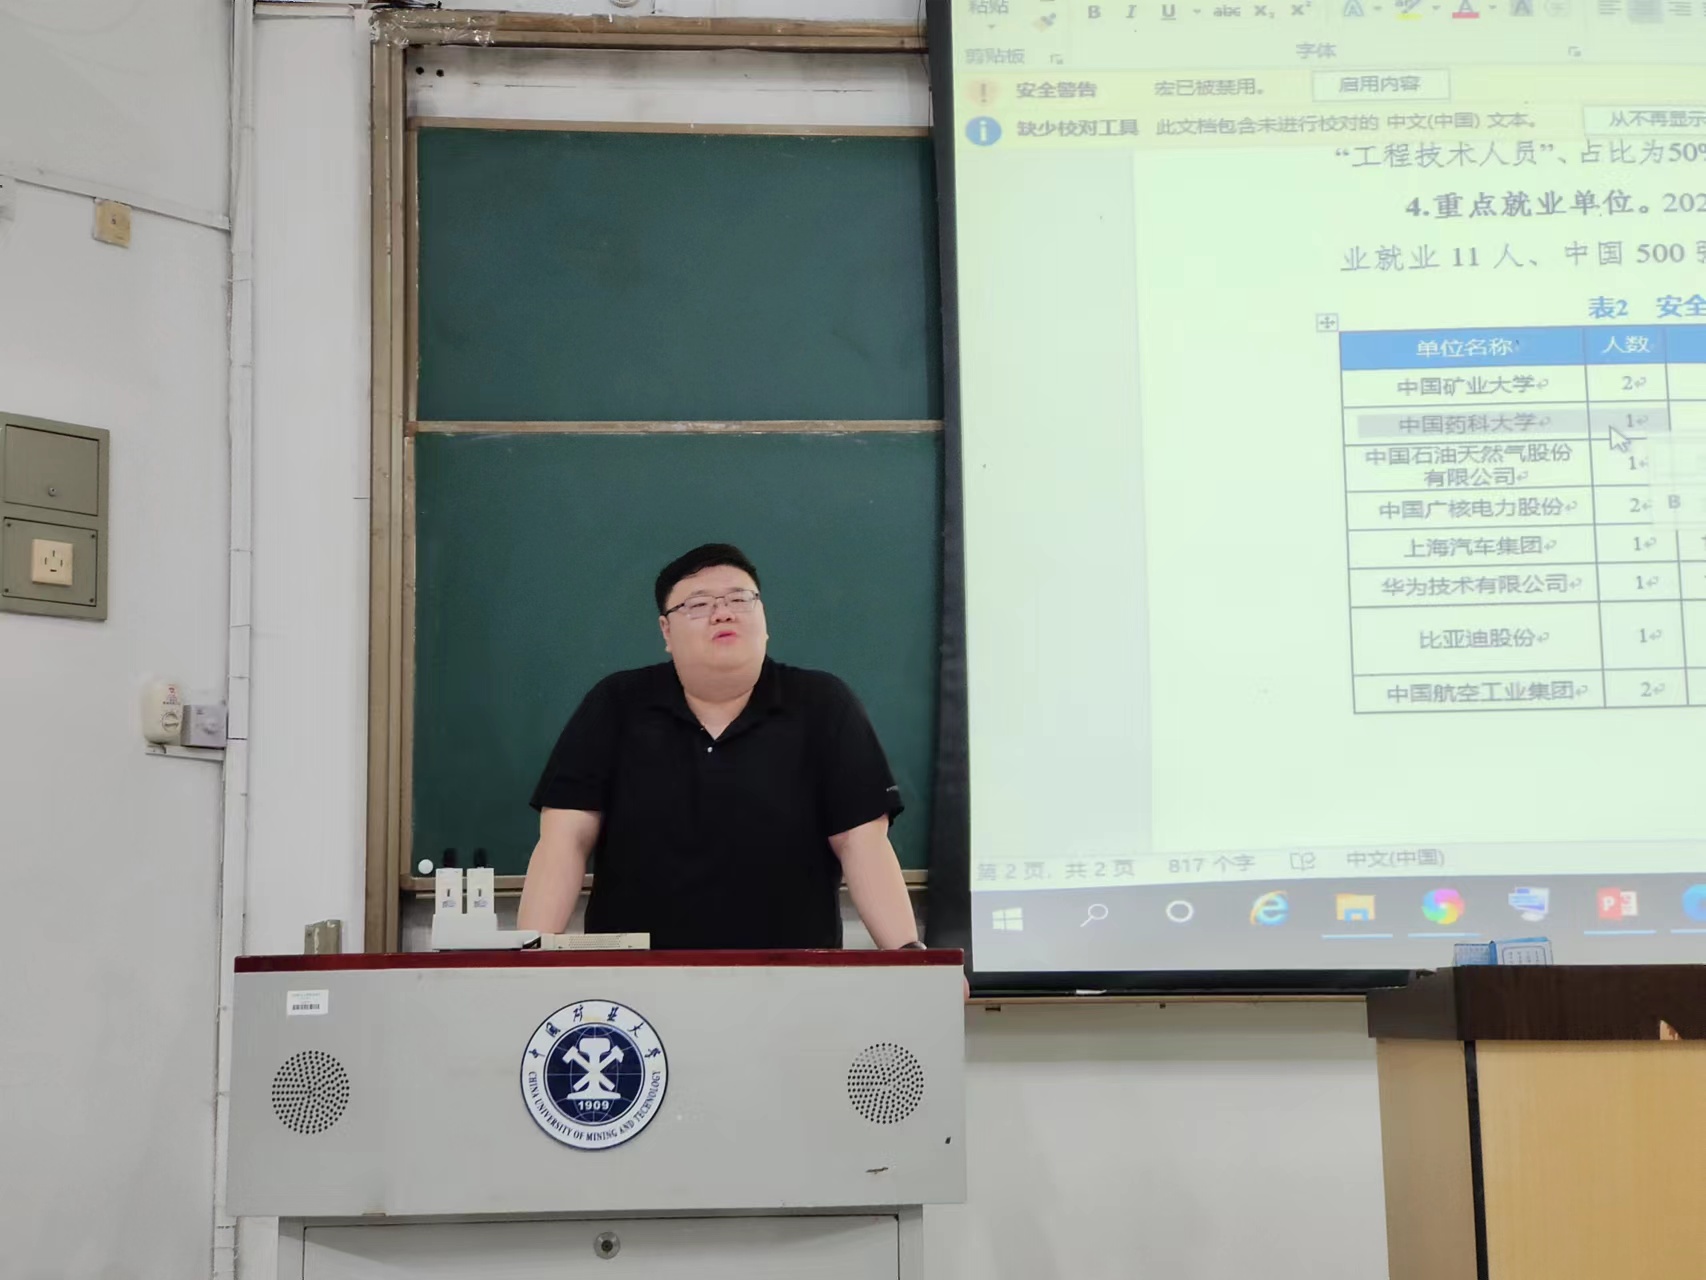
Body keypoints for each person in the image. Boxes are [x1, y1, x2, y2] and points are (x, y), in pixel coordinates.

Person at [516, 542, 922, 951]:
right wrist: (526, 958)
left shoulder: (823, 704)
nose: (723, 613)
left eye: (740, 599)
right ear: (666, 631)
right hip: (635, 976)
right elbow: (564, 841)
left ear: (764, 618)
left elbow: (862, 843)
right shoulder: (616, 704)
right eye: (698, 604)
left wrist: (909, 955)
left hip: (790, 973)